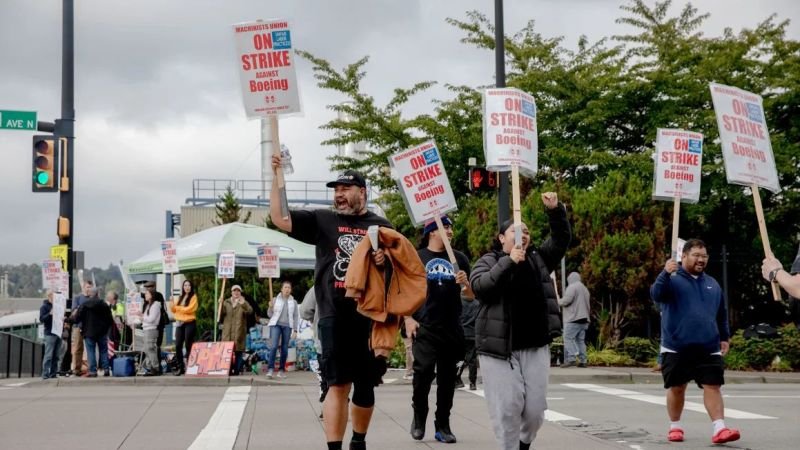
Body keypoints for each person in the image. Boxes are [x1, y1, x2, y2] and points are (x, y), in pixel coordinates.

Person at [270, 158, 391, 450]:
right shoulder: (323, 219)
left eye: (345, 188)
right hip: (333, 316)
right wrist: (276, 177)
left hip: (369, 316)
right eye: (336, 189)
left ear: (362, 192)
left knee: (365, 385)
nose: (339, 194)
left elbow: (398, 271)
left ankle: (358, 442)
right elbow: (279, 218)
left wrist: (383, 261)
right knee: (337, 384)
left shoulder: (381, 225)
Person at [469, 192, 570, 450]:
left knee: (535, 411)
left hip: (535, 345)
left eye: (525, 231)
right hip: (500, 351)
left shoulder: (539, 259)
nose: (522, 235)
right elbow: (481, 287)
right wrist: (508, 262)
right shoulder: (488, 261)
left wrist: (555, 210)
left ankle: (525, 442)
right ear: (502, 238)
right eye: (515, 231)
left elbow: (561, 240)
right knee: (507, 408)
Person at [651, 239, 740, 445]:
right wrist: (665, 273)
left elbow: (721, 313)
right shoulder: (672, 279)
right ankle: (675, 426)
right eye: (696, 255)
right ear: (683, 256)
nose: (701, 260)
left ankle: (720, 428)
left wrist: (724, 336)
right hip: (676, 346)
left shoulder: (712, 284)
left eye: (704, 256)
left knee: (713, 385)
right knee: (677, 387)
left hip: (708, 346)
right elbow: (656, 294)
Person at [403, 215, 473, 443]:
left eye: (451, 227)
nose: (450, 231)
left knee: (447, 380)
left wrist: (466, 284)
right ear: (432, 232)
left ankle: (442, 424)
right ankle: (419, 416)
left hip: (452, 327)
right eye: (445, 227)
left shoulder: (459, 259)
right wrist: (407, 318)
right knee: (422, 375)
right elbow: (402, 290)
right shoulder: (417, 257)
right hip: (426, 326)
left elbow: (471, 296)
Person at [77, 286, 114, 377]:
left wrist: (68, 320)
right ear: (98, 294)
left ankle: (93, 371)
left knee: (91, 351)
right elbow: (110, 319)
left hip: (89, 332)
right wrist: (106, 328)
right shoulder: (104, 304)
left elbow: (78, 317)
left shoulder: (85, 304)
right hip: (102, 332)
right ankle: (106, 370)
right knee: (103, 351)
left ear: (90, 294)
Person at [267, 280, 300, 379]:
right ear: (281, 289)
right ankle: (270, 369)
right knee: (274, 346)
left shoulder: (293, 302)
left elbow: (295, 316)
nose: (287, 289)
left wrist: (295, 330)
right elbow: (269, 315)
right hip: (276, 324)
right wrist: (270, 307)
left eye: (289, 288)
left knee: (284, 348)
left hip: (287, 326)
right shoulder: (275, 299)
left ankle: (281, 370)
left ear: (291, 290)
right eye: (285, 287)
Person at [558, 271, 591, 368]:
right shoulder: (585, 289)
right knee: (580, 340)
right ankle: (583, 361)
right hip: (584, 319)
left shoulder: (572, 287)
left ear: (570, 279)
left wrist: (557, 301)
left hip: (574, 318)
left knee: (567, 338)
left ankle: (571, 359)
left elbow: (566, 301)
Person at [220, 285, 253, 375]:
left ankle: (237, 370)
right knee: (228, 352)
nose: (236, 292)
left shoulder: (244, 302)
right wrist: (220, 304)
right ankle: (228, 369)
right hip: (227, 331)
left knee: (238, 351)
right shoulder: (226, 302)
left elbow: (250, 311)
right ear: (231, 292)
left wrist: (243, 303)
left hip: (239, 331)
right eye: (234, 290)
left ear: (240, 292)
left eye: (238, 291)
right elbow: (220, 314)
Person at [171, 279, 198, 375]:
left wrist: (178, 308)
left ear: (191, 287)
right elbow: (173, 310)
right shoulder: (180, 297)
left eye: (189, 285)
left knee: (188, 344)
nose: (187, 287)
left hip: (189, 322)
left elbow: (190, 309)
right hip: (179, 323)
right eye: (185, 285)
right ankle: (180, 367)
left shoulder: (193, 297)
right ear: (183, 287)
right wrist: (171, 302)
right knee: (178, 345)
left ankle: (191, 366)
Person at [456, 292, 479, 391]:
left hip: (461, 333)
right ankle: (472, 382)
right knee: (472, 359)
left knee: (459, 358)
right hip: (473, 334)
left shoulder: (459, 302)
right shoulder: (477, 304)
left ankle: (457, 379)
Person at [70, 281, 93, 376]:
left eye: (90, 287)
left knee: (90, 348)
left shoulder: (93, 299)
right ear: (83, 287)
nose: (89, 289)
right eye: (87, 287)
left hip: (89, 326)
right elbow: (74, 311)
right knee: (77, 348)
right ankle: (76, 369)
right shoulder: (77, 298)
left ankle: (91, 368)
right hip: (78, 326)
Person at [143, 281, 169, 361]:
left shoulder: (157, 296)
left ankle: (156, 365)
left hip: (157, 325)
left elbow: (158, 311)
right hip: (150, 325)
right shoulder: (147, 299)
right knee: (150, 347)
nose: (148, 289)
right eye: (147, 287)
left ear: (154, 287)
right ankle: (153, 364)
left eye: (150, 287)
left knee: (155, 346)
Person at [40, 291, 61, 379]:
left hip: (58, 332)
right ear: (49, 296)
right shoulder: (44, 307)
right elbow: (42, 319)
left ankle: (53, 373)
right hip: (49, 333)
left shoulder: (58, 306)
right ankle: (45, 374)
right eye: (54, 296)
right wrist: (50, 314)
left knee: (56, 355)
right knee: (48, 355)